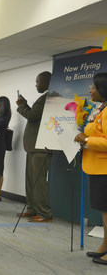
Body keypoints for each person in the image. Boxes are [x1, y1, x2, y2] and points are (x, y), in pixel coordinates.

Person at [74, 72, 107, 265]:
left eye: (93, 87)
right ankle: (104, 246)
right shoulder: (102, 108)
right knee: (103, 210)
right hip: (97, 167)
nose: (90, 90)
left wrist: (86, 140)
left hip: (104, 168)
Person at [16, 71, 53, 222]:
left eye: (38, 82)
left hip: (41, 147)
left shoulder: (48, 98)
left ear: (45, 82)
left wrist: (22, 105)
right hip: (33, 146)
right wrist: (25, 105)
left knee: (38, 182)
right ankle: (32, 209)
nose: (36, 85)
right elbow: (35, 115)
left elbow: (32, 116)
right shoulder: (44, 98)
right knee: (31, 180)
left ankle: (44, 213)